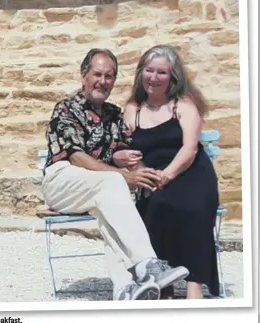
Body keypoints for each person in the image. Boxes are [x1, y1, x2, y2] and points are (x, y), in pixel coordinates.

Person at [41, 48, 189, 301]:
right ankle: (146, 264)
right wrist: (124, 175)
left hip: (99, 187)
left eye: (109, 76)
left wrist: (147, 178)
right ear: (83, 75)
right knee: (113, 182)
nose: (103, 81)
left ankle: (124, 288)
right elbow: (76, 156)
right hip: (62, 180)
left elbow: (129, 154)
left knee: (111, 201)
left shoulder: (113, 114)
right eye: (97, 74)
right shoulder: (66, 109)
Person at [114, 45, 220, 299]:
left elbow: (190, 149)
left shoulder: (183, 105)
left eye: (161, 72)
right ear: (141, 73)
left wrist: (166, 176)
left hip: (190, 174)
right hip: (152, 179)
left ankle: (195, 287)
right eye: (148, 70)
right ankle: (164, 285)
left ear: (172, 77)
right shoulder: (132, 109)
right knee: (156, 206)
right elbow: (125, 148)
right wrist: (141, 172)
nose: (154, 77)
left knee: (191, 208)